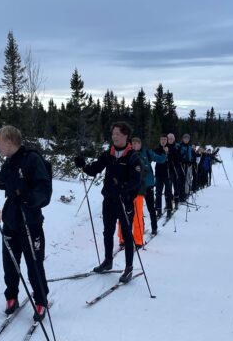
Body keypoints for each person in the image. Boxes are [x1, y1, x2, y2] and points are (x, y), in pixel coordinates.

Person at [0, 125, 51, 320]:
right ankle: (11, 297)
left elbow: (45, 189)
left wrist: (29, 197)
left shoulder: (32, 159)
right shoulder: (9, 163)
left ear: (10, 141)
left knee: (34, 264)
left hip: (30, 221)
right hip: (11, 220)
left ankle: (41, 300)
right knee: (9, 264)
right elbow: (0, 180)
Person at [74, 121, 142, 284]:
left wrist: (123, 187)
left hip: (124, 202)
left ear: (126, 136)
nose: (114, 136)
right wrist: (82, 165)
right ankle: (107, 261)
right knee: (107, 231)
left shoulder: (133, 157)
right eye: (113, 134)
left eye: (117, 134)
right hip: (109, 200)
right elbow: (94, 169)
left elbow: (137, 181)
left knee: (126, 235)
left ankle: (128, 267)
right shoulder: (108, 154)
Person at [116, 136, 166, 246]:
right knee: (124, 215)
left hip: (143, 188)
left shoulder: (146, 154)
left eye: (136, 143)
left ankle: (148, 231)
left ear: (140, 144)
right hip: (127, 189)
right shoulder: (126, 154)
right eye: (132, 143)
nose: (134, 145)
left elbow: (157, 161)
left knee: (144, 211)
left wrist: (165, 154)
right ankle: (123, 238)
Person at [154, 133, 173, 219]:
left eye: (165, 139)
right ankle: (158, 210)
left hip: (168, 174)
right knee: (158, 192)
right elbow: (156, 158)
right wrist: (163, 152)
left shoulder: (171, 149)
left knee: (168, 193)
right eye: (162, 139)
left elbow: (174, 159)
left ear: (167, 140)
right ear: (160, 140)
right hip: (158, 174)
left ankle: (169, 209)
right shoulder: (157, 149)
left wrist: (168, 152)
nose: (163, 141)